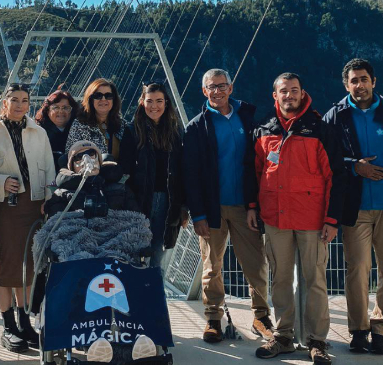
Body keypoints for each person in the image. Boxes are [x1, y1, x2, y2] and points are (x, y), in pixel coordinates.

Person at [321, 58, 383, 355]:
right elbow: (324, 157)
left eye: (364, 79)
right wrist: (355, 166)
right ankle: (358, 330)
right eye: (354, 80)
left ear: (374, 82)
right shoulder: (335, 116)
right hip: (355, 207)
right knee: (357, 269)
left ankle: (381, 329)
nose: (360, 85)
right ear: (346, 85)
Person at [253, 73, 345, 365]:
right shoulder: (264, 129)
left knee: (315, 279)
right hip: (275, 217)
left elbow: (335, 176)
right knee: (280, 278)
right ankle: (283, 336)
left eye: (294, 90)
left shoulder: (320, 129)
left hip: (312, 219)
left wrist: (332, 219)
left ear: (302, 93)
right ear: (275, 95)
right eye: (284, 91)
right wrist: (253, 206)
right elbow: (255, 173)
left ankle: (317, 341)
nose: (289, 95)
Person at [182, 68, 272, 343]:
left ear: (231, 88)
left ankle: (261, 315)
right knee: (212, 266)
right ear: (204, 91)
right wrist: (197, 213)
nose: (217, 91)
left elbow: (258, 162)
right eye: (212, 87)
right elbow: (190, 174)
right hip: (212, 208)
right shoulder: (196, 127)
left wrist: (255, 204)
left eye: (222, 86)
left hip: (246, 205)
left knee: (256, 263)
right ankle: (213, 318)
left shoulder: (248, 117)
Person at [0, 83, 56, 353]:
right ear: (5, 102)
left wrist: (49, 199)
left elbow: (49, 168)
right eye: (14, 99)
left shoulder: (39, 132)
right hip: (6, 206)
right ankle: (8, 326)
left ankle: (24, 322)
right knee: (6, 265)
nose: (19, 105)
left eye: (24, 100)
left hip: (34, 205)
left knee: (28, 265)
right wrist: (0, 182)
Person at [119, 82, 187, 271]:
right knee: (134, 252)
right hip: (138, 200)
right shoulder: (132, 131)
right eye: (149, 101)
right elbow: (124, 170)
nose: (154, 106)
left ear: (166, 103)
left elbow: (182, 171)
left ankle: (155, 288)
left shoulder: (175, 132)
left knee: (158, 254)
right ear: (142, 102)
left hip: (168, 202)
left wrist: (183, 206)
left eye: (159, 101)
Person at [45, 140, 139, 217]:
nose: (86, 159)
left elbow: (137, 220)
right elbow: (56, 227)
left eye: (91, 153)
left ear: (99, 160)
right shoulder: (61, 195)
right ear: (72, 167)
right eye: (79, 157)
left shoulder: (121, 189)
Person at [65, 78, 124, 160]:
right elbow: (71, 156)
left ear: (114, 100)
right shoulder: (80, 125)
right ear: (90, 99)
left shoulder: (122, 125)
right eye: (98, 96)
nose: (103, 99)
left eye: (108, 96)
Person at [34, 87, 79, 170]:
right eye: (55, 107)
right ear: (47, 111)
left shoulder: (79, 130)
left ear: (72, 111)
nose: (61, 111)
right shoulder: (38, 131)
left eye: (66, 108)